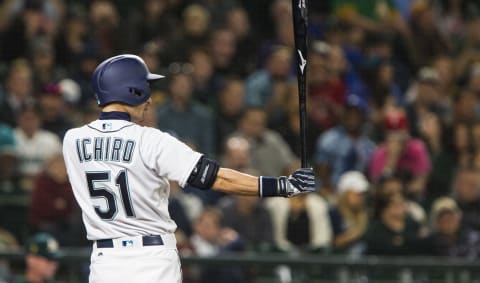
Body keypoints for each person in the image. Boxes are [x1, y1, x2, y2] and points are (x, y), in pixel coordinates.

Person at [62, 54, 315, 283]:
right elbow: (217, 179)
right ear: (131, 90)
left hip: (105, 262)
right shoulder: (151, 140)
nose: (149, 99)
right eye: (145, 88)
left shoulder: (72, 140)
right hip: (150, 259)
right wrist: (283, 185)